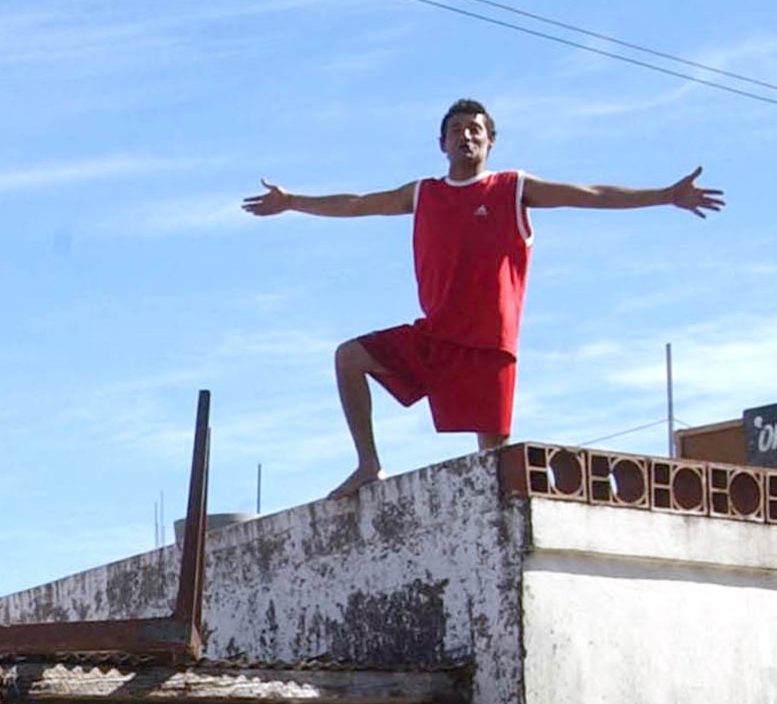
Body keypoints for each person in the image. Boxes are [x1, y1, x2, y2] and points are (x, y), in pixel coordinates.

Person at [243, 99, 723, 496]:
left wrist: (665, 195)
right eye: (456, 130)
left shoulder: (512, 188)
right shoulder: (423, 193)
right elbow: (357, 203)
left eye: (475, 130)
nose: (465, 136)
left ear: (490, 141)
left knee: (493, 468)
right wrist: (293, 202)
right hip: (435, 337)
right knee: (349, 357)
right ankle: (368, 464)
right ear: (442, 144)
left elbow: (591, 193)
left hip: (489, 348)